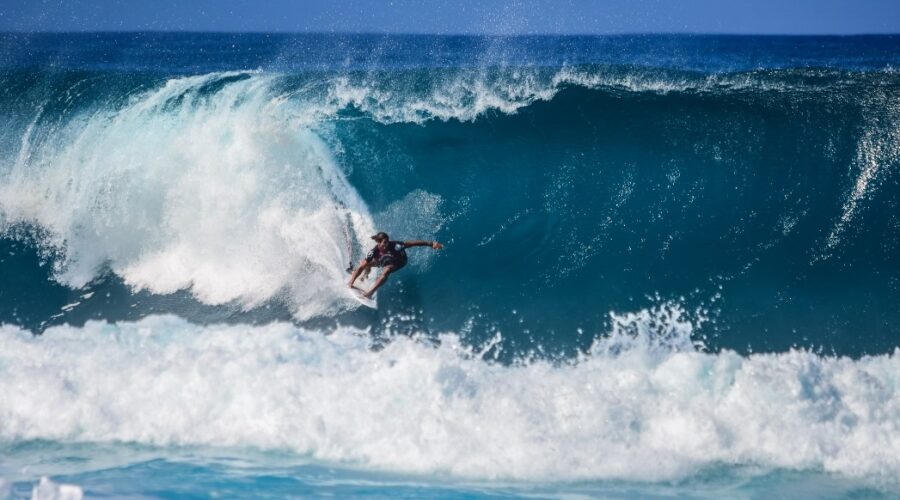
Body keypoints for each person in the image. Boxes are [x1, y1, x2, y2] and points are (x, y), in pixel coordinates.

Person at [348, 231, 443, 298]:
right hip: (384, 259)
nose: (386, 244)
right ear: (378, 242)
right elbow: (362, 265)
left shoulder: (396, 246)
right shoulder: (373, 252)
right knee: (366, 264)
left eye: (387, 241)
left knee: (386, 270)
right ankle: (363, 276)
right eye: (384, 243)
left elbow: (412, 243)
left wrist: (431, 244)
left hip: (399, 261)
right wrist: (351, 283)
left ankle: (370, 293)